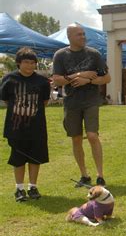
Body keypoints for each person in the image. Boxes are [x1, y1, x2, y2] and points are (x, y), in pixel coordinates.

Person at [52, 24, 111, 187]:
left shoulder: (94, 54)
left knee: (92, 136)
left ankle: (100, 175)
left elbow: (106, 78)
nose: (83, 37)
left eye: (84, 34)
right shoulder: (60, 55)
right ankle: (84, 175)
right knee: (76, 139)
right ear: (69, 36)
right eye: (79, 34)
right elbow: (56, 79)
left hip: (91, 101)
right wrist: (79, 75)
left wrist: (89, 80)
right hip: (71, 102)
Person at [1, 47, 50, 202]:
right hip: (15, 127)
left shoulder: (42, 81)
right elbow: (6, 100)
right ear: (18, 63)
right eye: (26, 62)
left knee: (35, 157)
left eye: (32, 63)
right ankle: (19, 189)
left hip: (36, 128)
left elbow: (45, 101)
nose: (29, 66)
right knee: (18, 158)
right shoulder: (9, 79)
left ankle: (33, 186)